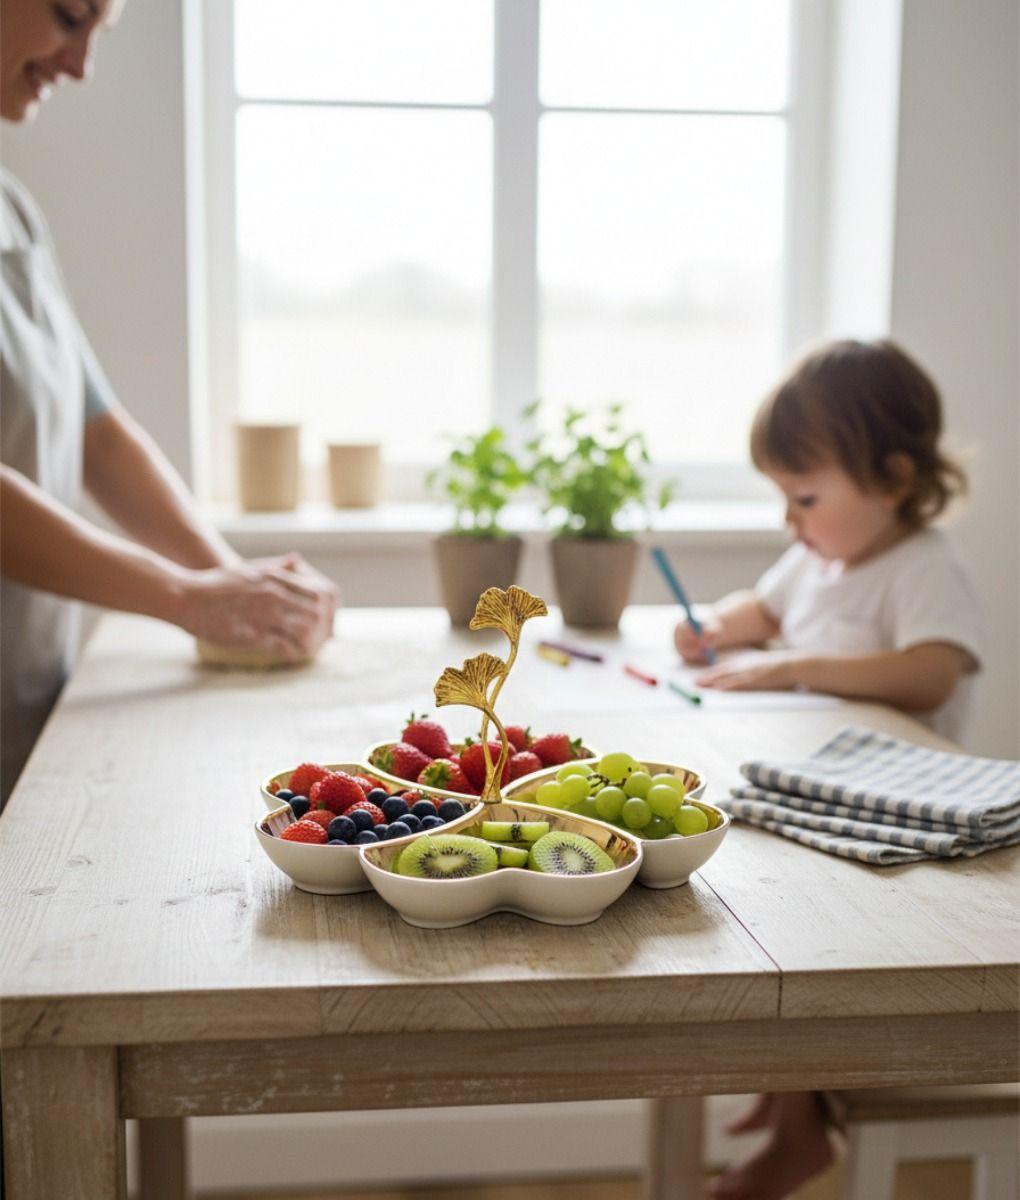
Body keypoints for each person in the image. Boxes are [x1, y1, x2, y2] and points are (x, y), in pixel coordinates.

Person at [0, 0, 339, 803]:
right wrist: (189, 599)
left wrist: (235, 589)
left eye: (99, 35)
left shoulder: (12, 208)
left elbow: (98, 433)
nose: (81, 66)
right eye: (68, 16)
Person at [675, 338, 982, 1200]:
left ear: (892, 478)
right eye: (782, 498)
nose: (790, 520)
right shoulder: (819, 557)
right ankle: (787, 1095)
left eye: (803, 497)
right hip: (824, 801)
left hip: (901, 822)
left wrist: (792, 665)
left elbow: (930, 672)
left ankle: (800, 1132)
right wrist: (720, 629)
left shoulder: (920, 567)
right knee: (767, 913)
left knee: (811, 947)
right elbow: (762, 606)